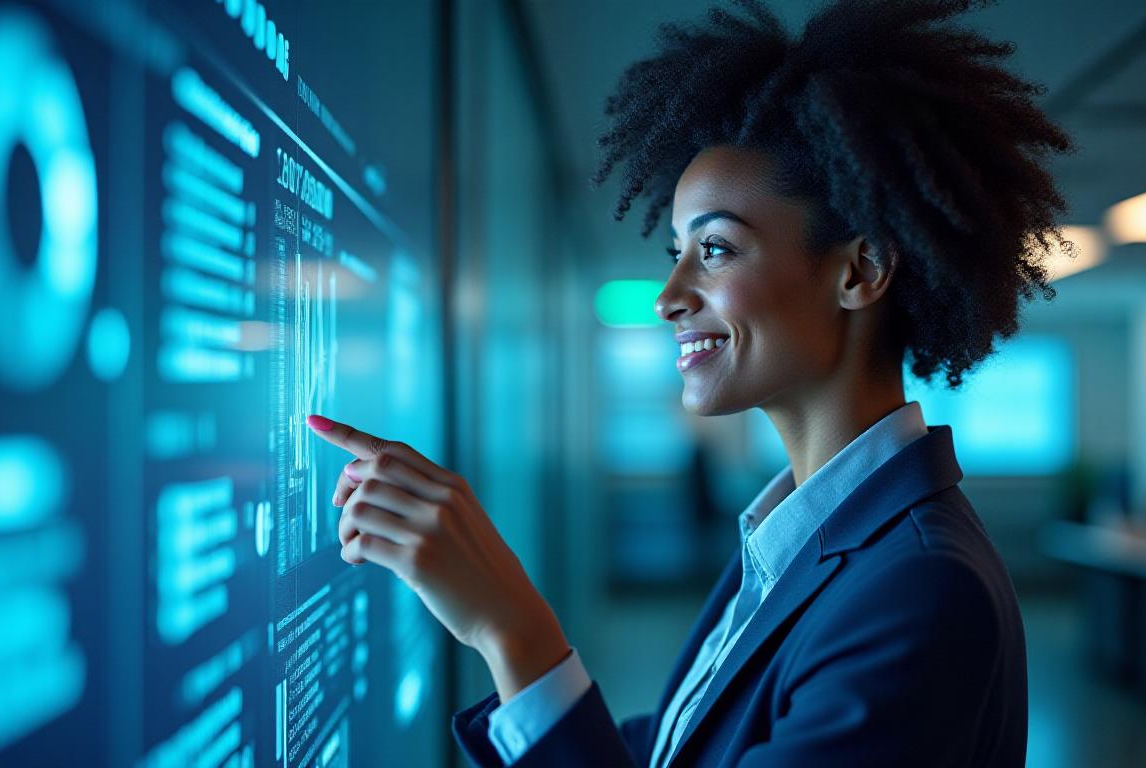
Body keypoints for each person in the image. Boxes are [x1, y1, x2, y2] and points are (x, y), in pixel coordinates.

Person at [307, 0, 1074, 764]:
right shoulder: (798, 540)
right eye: (676, 251)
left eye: (714, 251)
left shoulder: (920, 588)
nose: (668, 297)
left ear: (859, 270)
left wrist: (514, 632)